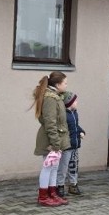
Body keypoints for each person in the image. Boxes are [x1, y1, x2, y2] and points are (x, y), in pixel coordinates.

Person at [31, 71, 70, 207]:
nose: (66, 85)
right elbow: (50, 122)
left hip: (56, 139)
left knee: (54, 167)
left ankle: (52, 193)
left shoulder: (56, 97)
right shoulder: (50, 99)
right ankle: (43, 196)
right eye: (65, 83)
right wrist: (55, 142)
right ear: (58, 84)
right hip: (50, 140)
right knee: (47, 168)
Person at [56, 91, 86, 197]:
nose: (77, 102)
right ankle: (60, 186)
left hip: (75, 146)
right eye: (75, 100)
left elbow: (75, 126)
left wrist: (81, 131)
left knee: (74, 166)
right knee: (63, 167)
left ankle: (73, 185)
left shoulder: (74, 113)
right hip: (67, 146)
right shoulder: (64, 115)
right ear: (69, 102)